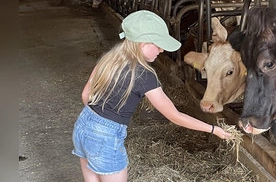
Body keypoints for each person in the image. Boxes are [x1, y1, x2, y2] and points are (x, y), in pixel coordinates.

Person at [72, 10, 232, 182]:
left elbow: (85, 95)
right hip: (105, 137)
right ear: (143, 44)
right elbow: (175, 116)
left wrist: (96, 121)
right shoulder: (144, 75)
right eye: (158, 44)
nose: (162, 50)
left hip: (83, 125)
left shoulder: (109, 58)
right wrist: (214, 130)